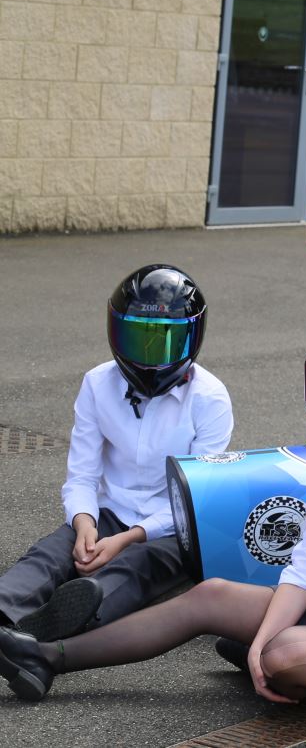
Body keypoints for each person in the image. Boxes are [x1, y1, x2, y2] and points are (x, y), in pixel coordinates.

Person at [0, 312, 306, 726]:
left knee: (285, 653)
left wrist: (279, 643)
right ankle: (45, 657)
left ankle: (289, 664)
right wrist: (261, 639)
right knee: (211, 597)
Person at [0, 265, 232, 643]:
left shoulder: (210, 397)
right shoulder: (97, 383)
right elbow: (82, 475)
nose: (150, 356)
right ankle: (4, 609)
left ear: (193, 336)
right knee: (48, 554)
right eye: (137, 338)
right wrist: (84, 524)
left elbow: (197, 498)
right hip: (109, 514)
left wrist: (130, 538)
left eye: (166, 340)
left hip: (175, 525)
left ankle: (53, 627)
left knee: (136, 565)